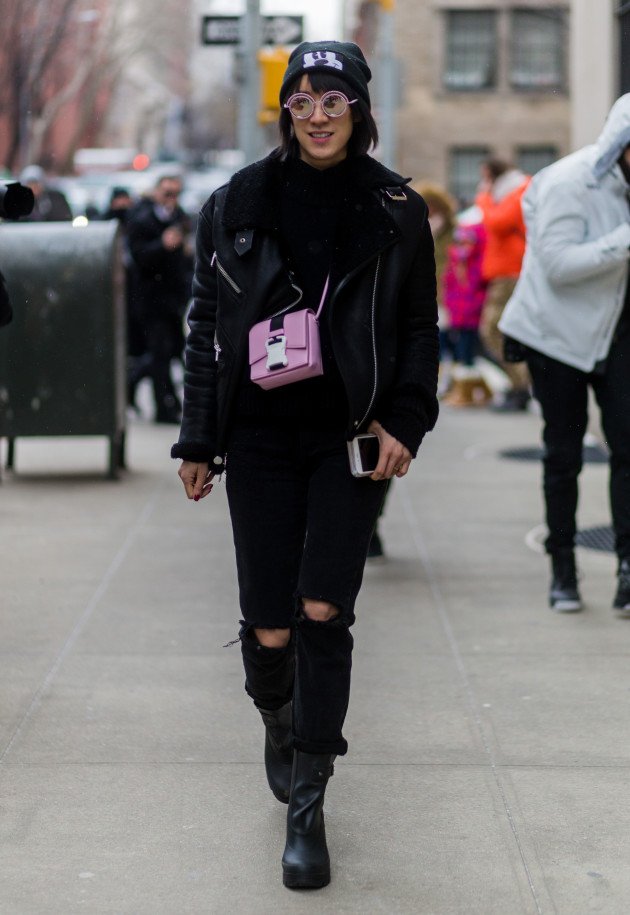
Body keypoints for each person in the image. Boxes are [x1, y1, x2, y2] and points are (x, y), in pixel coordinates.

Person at [172, 41, 439, 889]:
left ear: (359, 110)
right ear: (284, 110)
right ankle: (278, 719)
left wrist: (407, 417)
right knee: (270, 625)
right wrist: (196, 437)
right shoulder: (237, 203)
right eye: (303, 100)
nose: (318, 114)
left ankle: (309, 801)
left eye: (335, 99)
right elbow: (206, 323)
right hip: (258, 439)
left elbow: (419, 331)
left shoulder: (396, 208)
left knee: (325, 608)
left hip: (347, 437)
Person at [499, 93, 630, 614]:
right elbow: (556, 263)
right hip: (555, 338)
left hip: (616, 333)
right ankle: (563, 571)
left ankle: (627, 570)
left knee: (628, 450)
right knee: (564, 454)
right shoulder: (570, 181)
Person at [127, 175, 193, 423]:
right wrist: (162, 245)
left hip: (172, 300)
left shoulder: (179, 217)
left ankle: (137, 383)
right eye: (167, 193)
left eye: (175, 194)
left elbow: (184, 261)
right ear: (156, 192)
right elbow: (138, 257)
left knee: (173, 350)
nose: (171, 199)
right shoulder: (142, 219)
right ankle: (164, 406)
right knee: (160, 353)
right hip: (150, 300)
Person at [475, 158, 531, 411]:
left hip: (512, 274)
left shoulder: (519, 191)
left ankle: (522, 383)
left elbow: (496, 222)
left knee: (492, 330)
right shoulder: (508, 192)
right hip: (505, 274)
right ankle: (519, 384)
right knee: (501, 332)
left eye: (486, 178)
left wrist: (484, 197)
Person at [441, 222, 491, 406]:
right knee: (460, 357)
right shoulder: (455, 261)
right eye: (460, 242)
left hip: (472, 318)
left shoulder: (479, 263)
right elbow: (449, 287)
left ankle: (467, 393)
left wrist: (471, 309)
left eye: (468, 242)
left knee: (467, 356)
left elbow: (480, 291)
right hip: (457, 317)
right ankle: (467, 391)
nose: (464, 246)